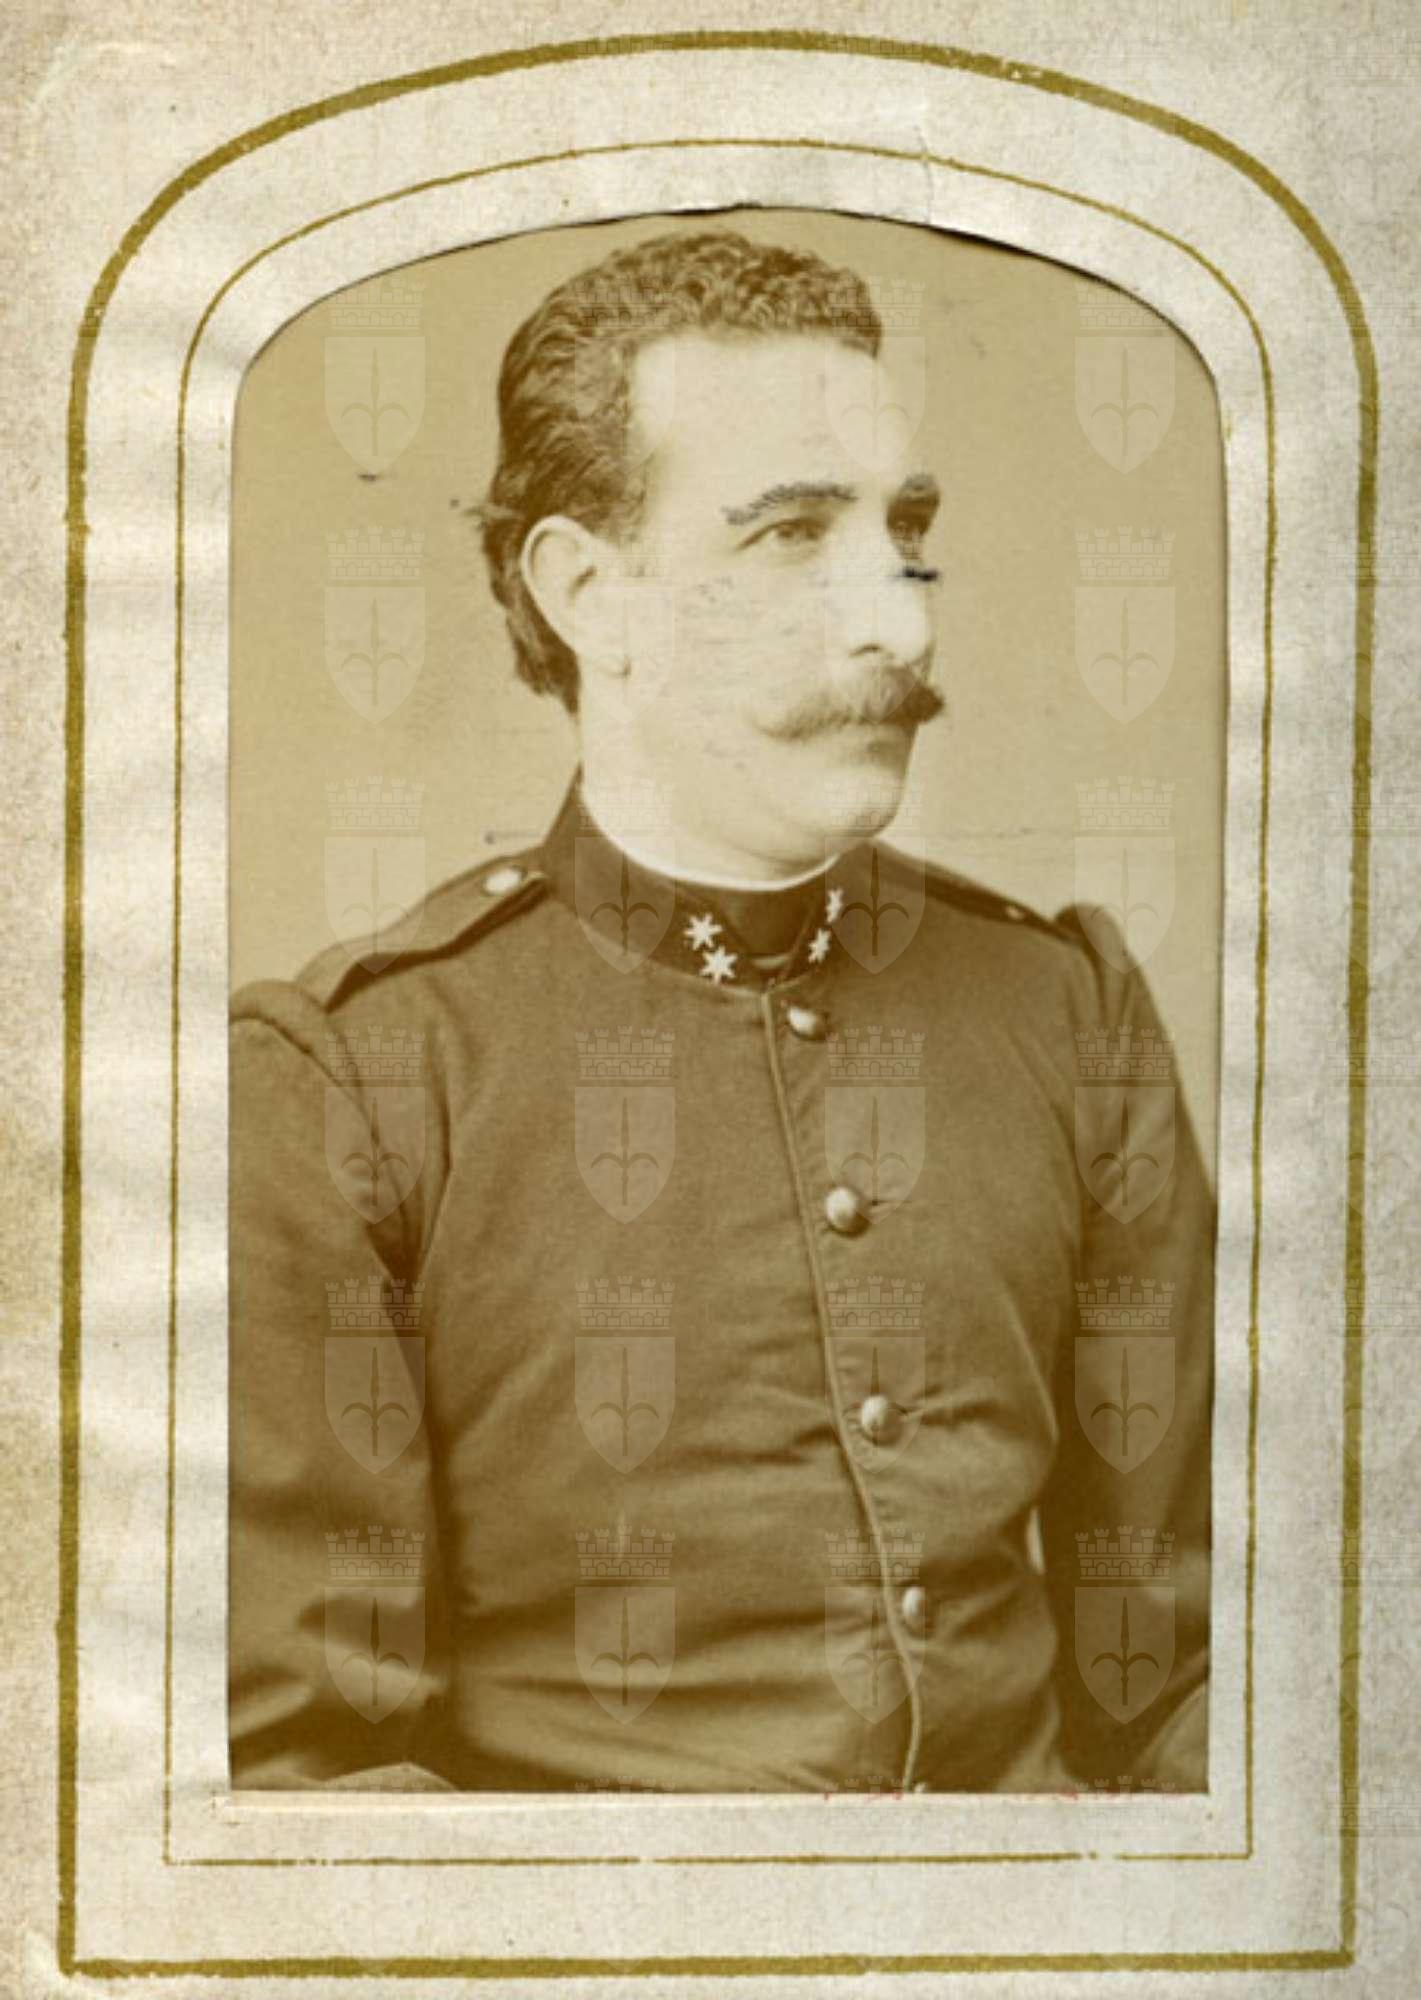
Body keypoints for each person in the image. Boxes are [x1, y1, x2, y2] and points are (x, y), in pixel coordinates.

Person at [229, 227, 1213, 1794]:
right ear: (588, 595)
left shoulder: (1064, 1011)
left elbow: (1185, 1683)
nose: (901, 625)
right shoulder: (355, 1080)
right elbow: (304, 1788)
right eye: (792, 535)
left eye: (903, 529)